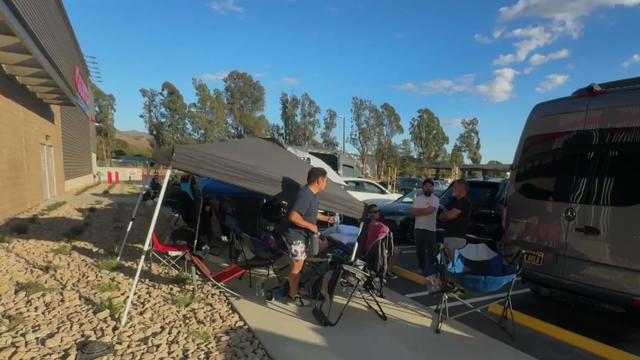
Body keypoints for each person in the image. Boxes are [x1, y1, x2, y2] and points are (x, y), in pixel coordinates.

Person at [286, 167, 336, 306]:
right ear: (319, 180)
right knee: (297, 266)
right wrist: (311, 226)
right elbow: (294, 216)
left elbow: (311, 213)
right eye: (325, 181)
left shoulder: (312, 196)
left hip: (304, 235)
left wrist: (327, 219)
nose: (326, 184)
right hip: (295, 235)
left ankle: (298, 285)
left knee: (323, 246)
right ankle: (293, 295)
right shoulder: (305, 194)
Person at [362, 204, 400, 279]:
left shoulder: (367, 223)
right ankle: (386, 272)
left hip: (370, 247)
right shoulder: (377, 225)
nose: (378, 213)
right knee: (396, 252)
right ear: (370, 214)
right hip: (373, 249)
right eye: (375, 212)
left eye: (378, 211)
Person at [410, 179, 440, 275]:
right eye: (426, 186)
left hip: (430, 228)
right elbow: (413, 212)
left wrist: (419, 211)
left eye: (430, 186)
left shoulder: (435, 199)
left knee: (431, 250)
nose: (428, 188)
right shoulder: (418, 198)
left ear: (432, 188)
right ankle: (422, 268)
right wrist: (423, 211)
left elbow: (429, 211)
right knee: (420, 250)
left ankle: (432, 271)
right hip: (418, 228)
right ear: (422, 188)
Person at [438, 179, 472, 260]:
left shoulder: (464, 201)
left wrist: (444, 215)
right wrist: (444, 215)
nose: (453, 188)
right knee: (448, 263)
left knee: (454, 263)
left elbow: (450, 215)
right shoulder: (455, 202)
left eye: (455, 186)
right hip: (449, 237)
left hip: (457, 239)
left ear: (461, 188)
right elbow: (444, 216)